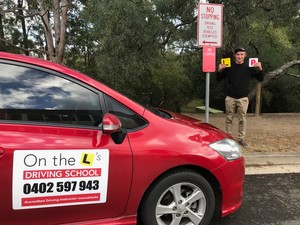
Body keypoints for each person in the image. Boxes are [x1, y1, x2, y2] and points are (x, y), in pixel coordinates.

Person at [216, 47, 264, 147]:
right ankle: (229, 138)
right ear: (235, 56)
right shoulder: (229, 66)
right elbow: (218, 79)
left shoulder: (249, 67)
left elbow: (260, 78)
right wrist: (219, 70)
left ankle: (241, 139)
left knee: (242, 119)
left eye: (242, 54)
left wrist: (260, 69)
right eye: (238, 54)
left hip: (243, 98)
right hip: (230, 97)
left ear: (245, 56)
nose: (239, 56)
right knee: (229, 118)